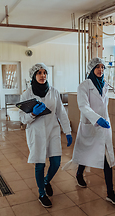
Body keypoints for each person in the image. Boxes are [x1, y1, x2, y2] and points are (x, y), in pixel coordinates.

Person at [19, 63, 73, 208]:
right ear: (33, 76)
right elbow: (22, 119)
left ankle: (46, 180)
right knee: (39, 164)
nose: (43, 76)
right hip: (35, 132)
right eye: (39, 73)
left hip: (52, 131)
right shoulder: (27, 94)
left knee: (56, 163)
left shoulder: (54, 92)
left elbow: (61, 113)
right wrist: (33, 113)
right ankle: (42, 193)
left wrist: (67, 131)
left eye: (45, 73)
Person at [69, 57, 115, 205]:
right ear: (91, 69)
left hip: (104, 127)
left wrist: (103, 120)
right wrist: (96, 119)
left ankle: (110, 192)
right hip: (90, 125)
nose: (100, 70)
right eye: (97, 67)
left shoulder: (104, 84)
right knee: (86, 153)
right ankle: (79, 174)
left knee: (107, 159)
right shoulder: (84, 85)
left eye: (103, 67)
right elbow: (83, 106)